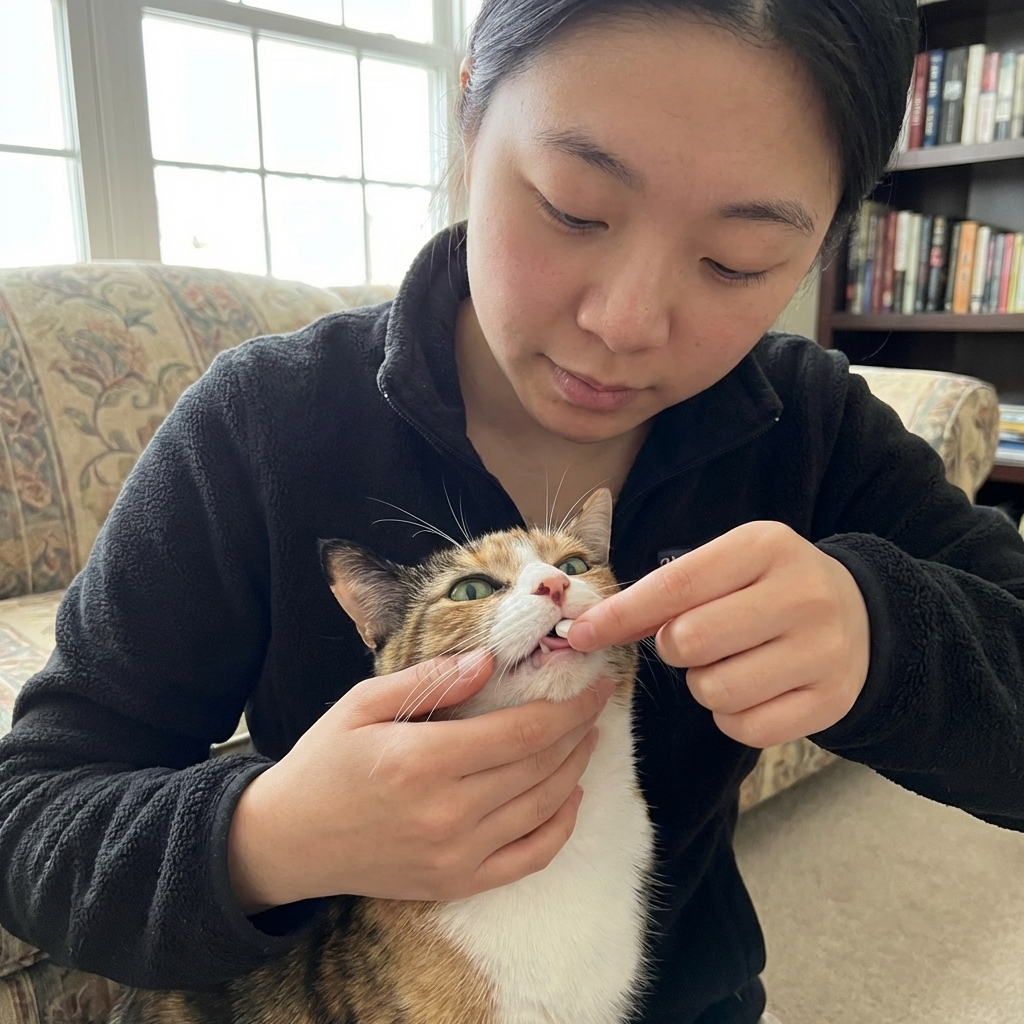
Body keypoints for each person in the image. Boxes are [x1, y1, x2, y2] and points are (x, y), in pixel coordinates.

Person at [1, 1, 1023, 1022]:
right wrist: (271, 835)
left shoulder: (811, 425)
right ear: (469, 118)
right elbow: (31, 820)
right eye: (573, 207)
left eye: (735, 261)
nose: (622, 323)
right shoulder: (263, 423)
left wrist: (884, 637)